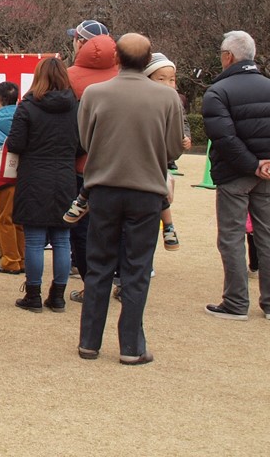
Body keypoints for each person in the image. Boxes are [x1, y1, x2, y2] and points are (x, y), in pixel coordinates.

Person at [76, 32, 184, 364]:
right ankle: (131, 346)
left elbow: (84, 138)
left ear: (117, 59)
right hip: (147, 192)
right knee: (137, 269)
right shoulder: (167, 99)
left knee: (98, 265)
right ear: (149, 58)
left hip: (104, 189)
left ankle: (89, 342)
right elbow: (175, 147)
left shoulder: (95, 93)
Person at [200, 30, 270, 321]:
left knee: (231, 237)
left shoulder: (218, 91)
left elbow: (224, 138)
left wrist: (250, 164)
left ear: (228, 57)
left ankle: (236, 301)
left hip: (235, 174)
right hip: (266, 172)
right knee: (267, 235)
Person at [6, 58, 80, 313]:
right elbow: (82, 144)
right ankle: (58, 296)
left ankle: (33, 295)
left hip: (34, 175)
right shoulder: (75, 106)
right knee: (62, 238)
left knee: (35, 240)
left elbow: (15, 143)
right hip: (65, 175)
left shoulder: (28, 105)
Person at [64, 19, 117, 297]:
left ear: (81, 43)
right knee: (117, 226)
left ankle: (91, 284)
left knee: (82, 227)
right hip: (121, 167)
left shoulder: (68, 77)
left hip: (81, 166)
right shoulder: (125, 75)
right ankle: (120, 279)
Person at [144, 52, 191, 251]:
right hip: (146, 157)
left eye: (171, 79)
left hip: (162, 159)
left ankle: (168, 226)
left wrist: (185, 138)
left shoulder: (176, 102)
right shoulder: (144, 100)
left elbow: (184, 124)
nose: (168, 84)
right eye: (161, 79)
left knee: (160, 191)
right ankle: (168, 226)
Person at [0, 81, 24, 275]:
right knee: (19, 218)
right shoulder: (23, 116)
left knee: (4, 218)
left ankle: (10, 260)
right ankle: (21, 257)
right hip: (23, 173)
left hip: (1, 175)